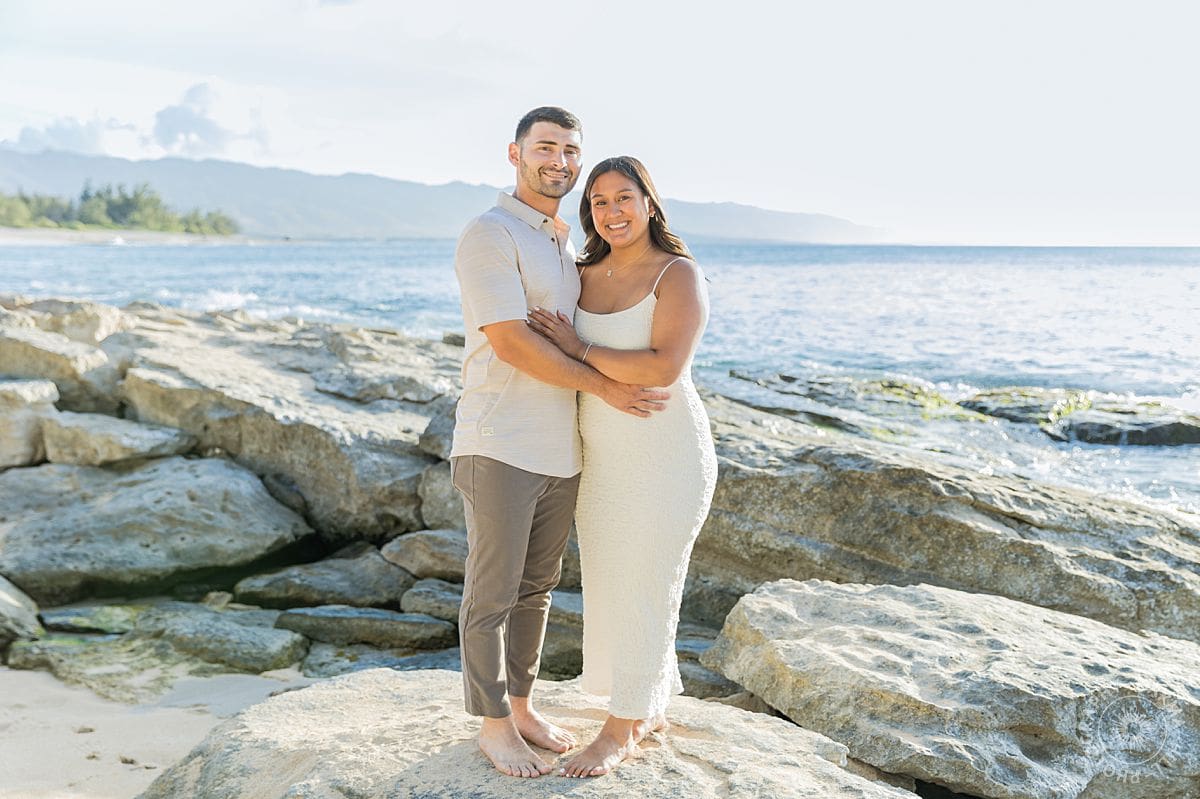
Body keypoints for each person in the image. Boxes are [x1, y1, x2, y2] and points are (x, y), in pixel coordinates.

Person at [451, 109, 670, 779]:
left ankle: (519, 705)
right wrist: (603, 386)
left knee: (538, 588)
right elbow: (512, 341)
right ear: (515, 153)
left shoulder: (559, 238)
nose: (560, 159)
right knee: (493, 592)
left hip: (559, 445)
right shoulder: (489, 233)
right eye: (546, 146)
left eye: (570, 149)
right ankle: (492, 724)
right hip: (498, 439)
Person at [526, 155, 717, 777]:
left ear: (649, 203)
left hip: (665, 450)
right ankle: (645, 704)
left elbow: (663, 367)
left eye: (623, 198)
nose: (612, 212)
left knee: (648, 579)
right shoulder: (582, 274)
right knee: (611, 581)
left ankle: (622, 728)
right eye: (599, 202)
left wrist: (578, 347)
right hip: (601, 454)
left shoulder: (677, 274)